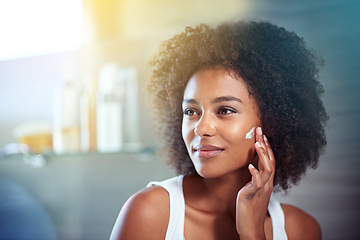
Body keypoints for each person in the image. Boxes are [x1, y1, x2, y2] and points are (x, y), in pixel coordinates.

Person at [110, 20, 328, 240]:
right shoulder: (150, 214)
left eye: (224, 110)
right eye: (191, 111)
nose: (201, 129)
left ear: (271, 121)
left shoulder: (300, 230)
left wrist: (252, 232)